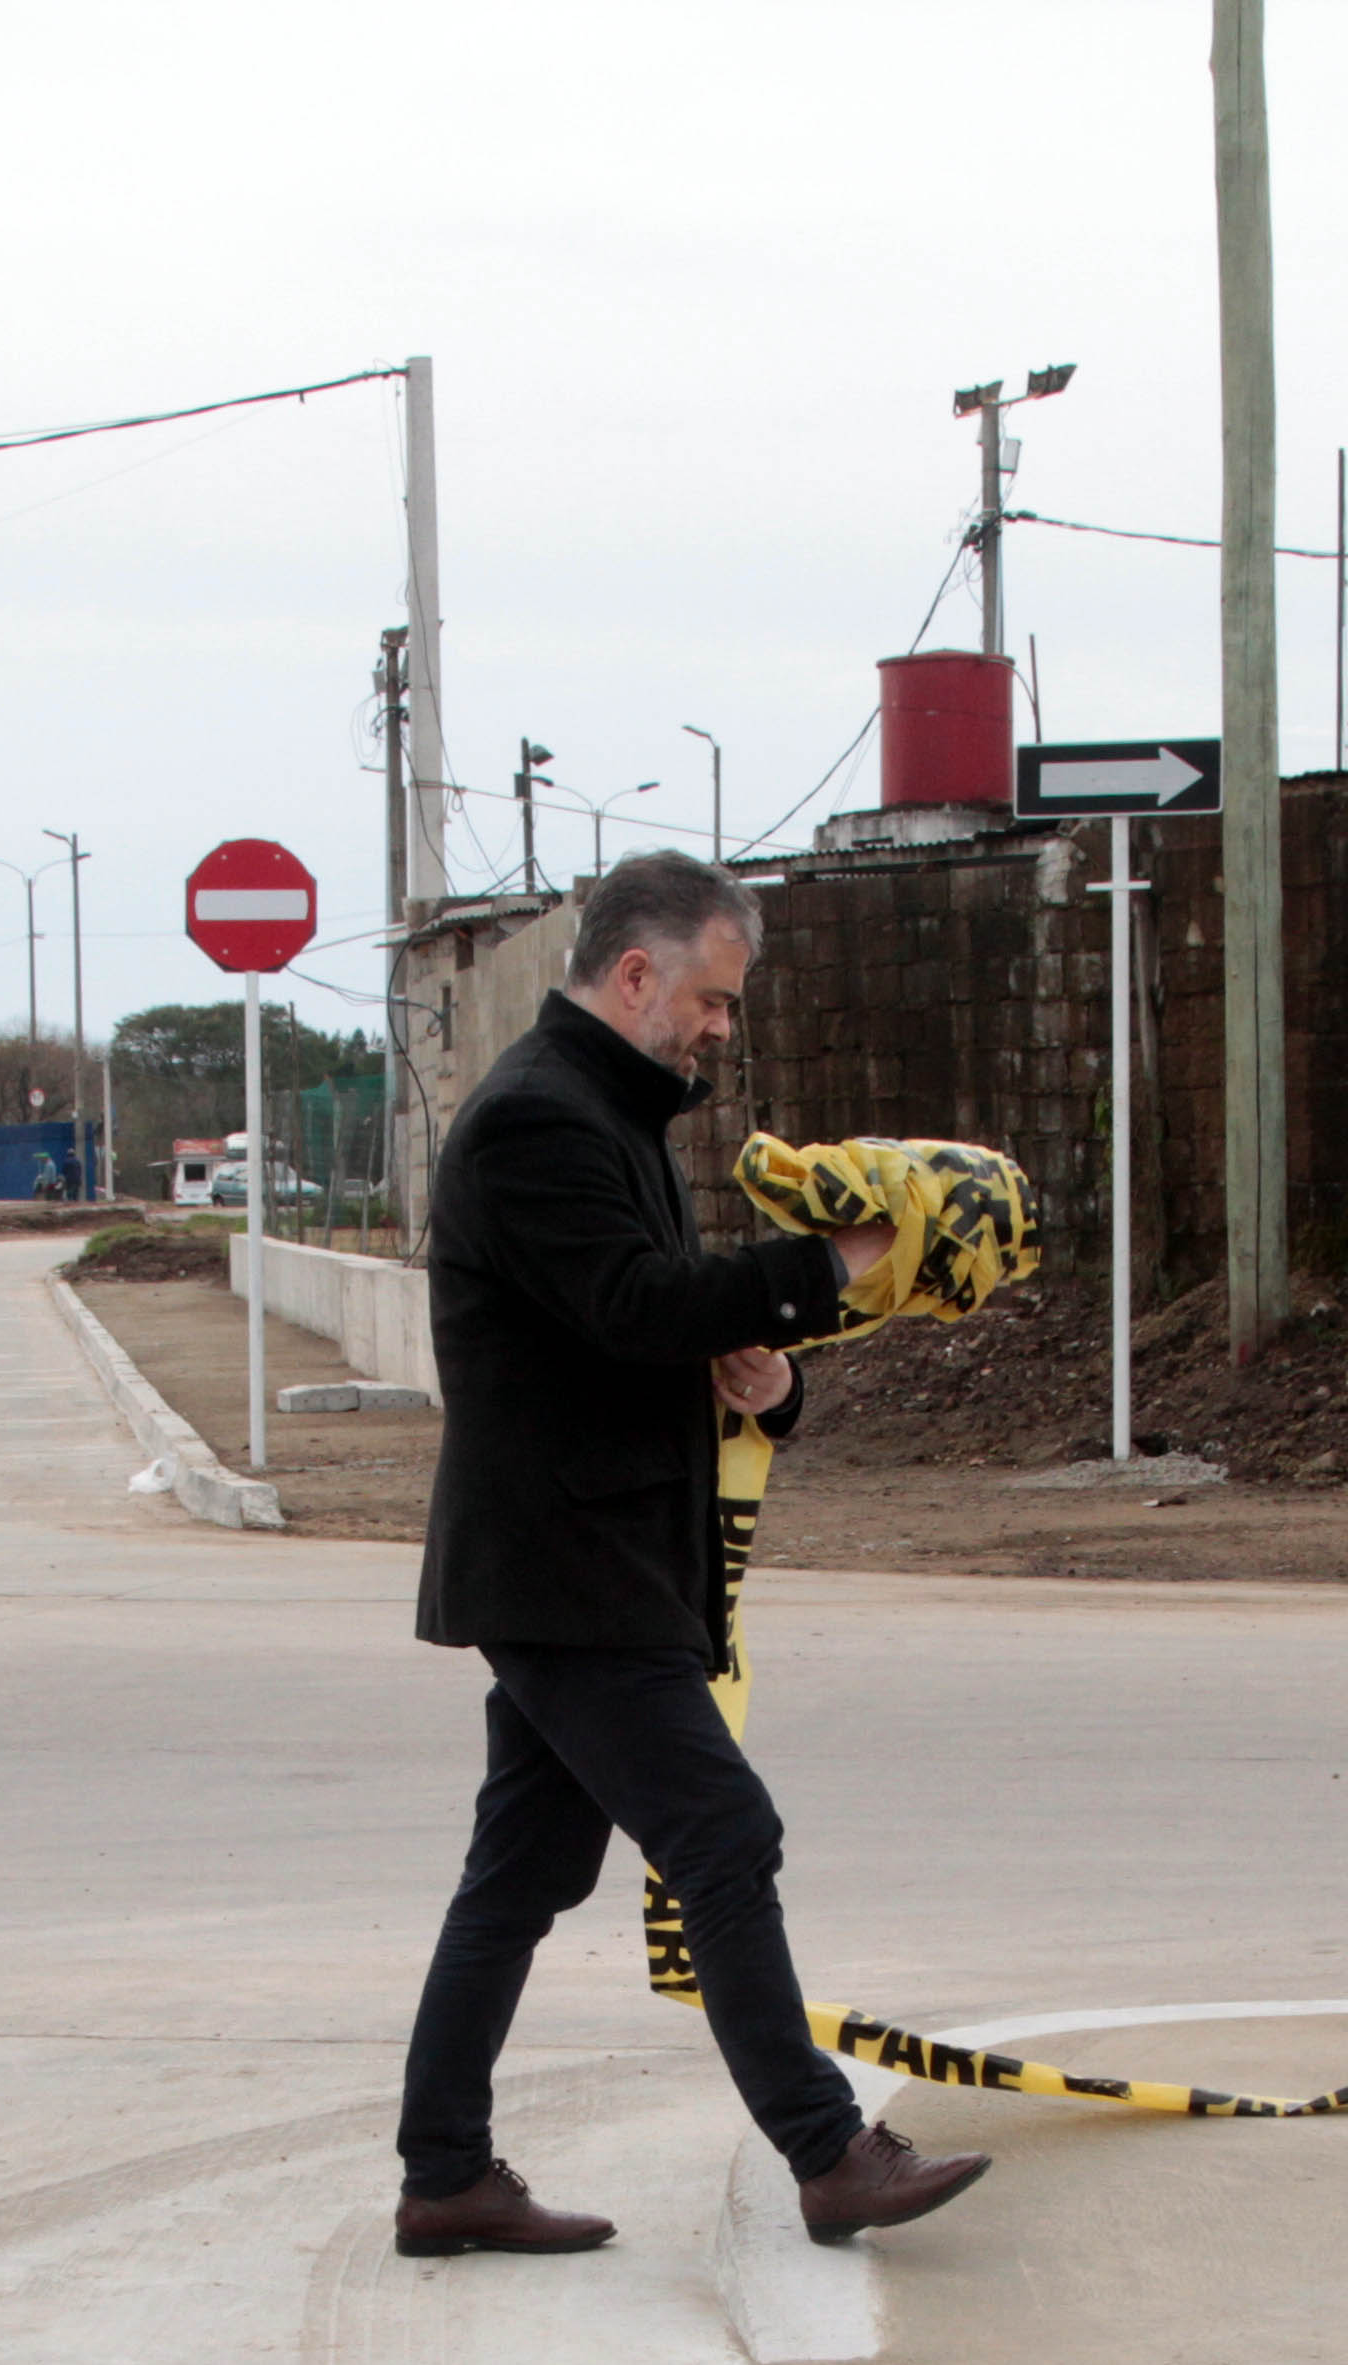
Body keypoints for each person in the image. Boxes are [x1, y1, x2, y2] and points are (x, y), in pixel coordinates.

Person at [392, 853, 988, 2257]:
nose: (724, 1028)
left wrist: (777, 1381)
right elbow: (632, 1304)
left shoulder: (610, 1119)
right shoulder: (537, 1122)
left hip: (594, 1563)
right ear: (636, 973)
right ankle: (829, 2151)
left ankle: (444, 2175)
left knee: (520, 1876)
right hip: (568, 1567)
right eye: (711, 1000)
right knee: (723, 1834)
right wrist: (840, 1261)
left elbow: (658, 1328)